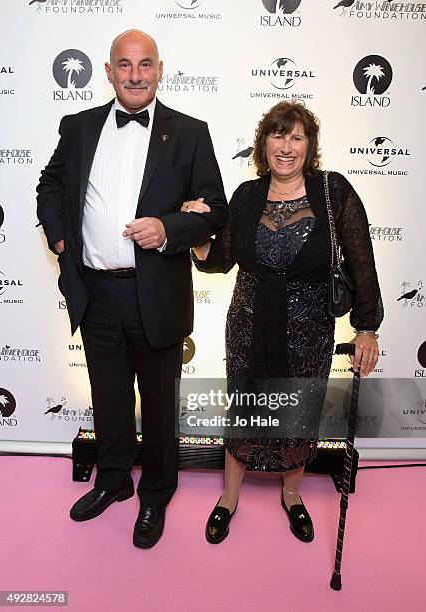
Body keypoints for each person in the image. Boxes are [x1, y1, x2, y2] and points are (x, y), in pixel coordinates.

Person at [36, 29, 227, 549]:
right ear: (108, 70)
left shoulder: (189, 132)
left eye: (145, 65)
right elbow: (50, 184)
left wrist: (169, 229)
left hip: (156, 294)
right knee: (109, 398)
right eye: (125, 65)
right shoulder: (77, 127)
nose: (135, 75)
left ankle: (157, 493)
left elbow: (216, 208)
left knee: (160, 405)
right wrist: (58, 237)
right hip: (96, 292)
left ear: (160, 70)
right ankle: (114, 479)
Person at [182, 101, 383, 544]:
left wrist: (366, 328)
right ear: (263, 144)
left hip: (308, 331)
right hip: (248, 326)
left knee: (298, 413)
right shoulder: (246, 196)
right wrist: (196, 231)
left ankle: (292, 494)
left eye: (296, 137)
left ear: (309, 146)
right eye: (278, 135)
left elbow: (362, 263)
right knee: (245, 409)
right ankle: (229, 496)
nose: (286, 146)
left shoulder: (334, 194)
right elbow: (219, 261)